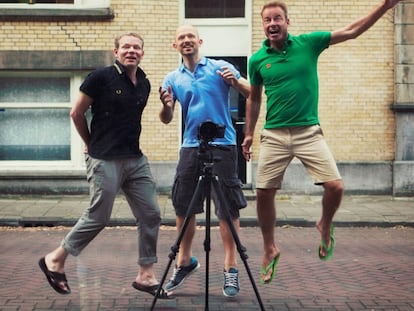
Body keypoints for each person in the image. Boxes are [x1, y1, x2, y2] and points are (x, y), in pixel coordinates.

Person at [242, 0, 402, 284]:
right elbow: (254, 97)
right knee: (264, 191)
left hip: (308, 132)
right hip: (275, 134)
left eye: (277, 18)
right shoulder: (257, 60)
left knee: (335, 186)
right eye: (267, 20)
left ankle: (324, 224)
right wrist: (249, 134)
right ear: (263, 25)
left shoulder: (309, 43)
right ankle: (269, 248)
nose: (272, 24)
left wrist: (385, 7)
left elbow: (352, 31)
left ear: (287, 22)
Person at [38, 33, 169, 299]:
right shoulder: (100, 77)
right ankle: (55, 259)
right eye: (126, 47)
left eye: (136, 47)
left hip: (135, 159)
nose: (131, 51)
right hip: (104, 158)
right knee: (98, 216)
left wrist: (167, 107)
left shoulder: (143, 82)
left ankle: (146, 275)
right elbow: (76, 113)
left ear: (142, 53)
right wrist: (90, 144)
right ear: (116, 51)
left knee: (151, 214)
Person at [159, 24, 250, 298]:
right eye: (181, 38)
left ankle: (230, 268)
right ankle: (184, 262)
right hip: (191, 146)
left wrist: (235, 82)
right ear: (175, 45)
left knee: (227, 208)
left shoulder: (219, 67)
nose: (186, 41)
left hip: (223, 146)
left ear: (199, 41)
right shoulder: (172, 78)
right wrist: (165, 106)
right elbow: (166, 118)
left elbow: (252, 92)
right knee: (183, 206)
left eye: (190, 36)